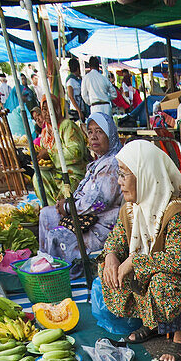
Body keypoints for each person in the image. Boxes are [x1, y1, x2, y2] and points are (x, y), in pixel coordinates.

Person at [98, 141, 181, 361]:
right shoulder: (131, 209)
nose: (119, 182)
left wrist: (134, 262)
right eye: (120, 174)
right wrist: (111, 257)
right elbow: (115, 240)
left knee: (162, 280)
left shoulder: (178, 212)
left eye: (124, 175)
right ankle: (154, 323)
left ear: (144, 175)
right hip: (167, 277)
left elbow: (180, 261)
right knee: (111, 267)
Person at [39, 112, 123, 279]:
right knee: (45, 214)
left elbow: (99, 203)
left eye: (99, 132)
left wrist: (68, 207)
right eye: (90, 132)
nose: (93, 137)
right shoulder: (100, 161)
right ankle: (45, 264)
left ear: (110, 135)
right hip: (88, 217)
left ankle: (62, 275)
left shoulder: (112, 164)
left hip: (101, 225)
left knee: (56, 235)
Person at [33, 95, 88, 201]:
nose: (48, 113)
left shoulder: (67, 125)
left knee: (67, 188)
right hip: (55, 172)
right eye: (44, 110)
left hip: (73, 173)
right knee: (38, 178)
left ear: (58, 108)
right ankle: (52, 210)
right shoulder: (45, 132)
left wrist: (50, 153)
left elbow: (76, 152)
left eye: (51, 108)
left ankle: (64, 212)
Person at [66, 58, 85, 122]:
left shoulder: (77, 80)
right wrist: (79, 111)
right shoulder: (70, 81)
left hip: (81, 108)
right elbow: (71, 97)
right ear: (77, 68)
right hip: (75, 111)